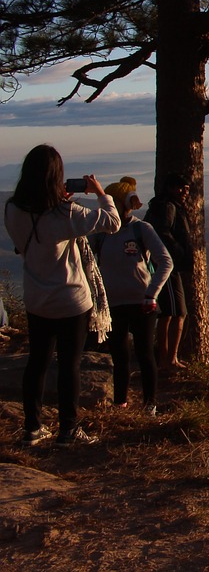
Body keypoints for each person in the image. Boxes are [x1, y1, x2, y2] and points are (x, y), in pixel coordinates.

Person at [4, 144, 120, 446]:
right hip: (71, 301)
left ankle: (33, 427)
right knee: (69, 365)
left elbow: (24, 243)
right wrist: (98, 192)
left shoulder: (13, 208)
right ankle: (68, 430)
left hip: (36, 300)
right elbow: (112, 222)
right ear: (57, 176)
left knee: (37, 363)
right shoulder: (66, 212)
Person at [95, 177, 173, 416]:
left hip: (142, 303)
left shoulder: (141, 229)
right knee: (119, 355)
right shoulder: (100, 233)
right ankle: (120, 403)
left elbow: (165, 262)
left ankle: (150, 404)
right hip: (113, 305)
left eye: (109, 202)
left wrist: (152, 294)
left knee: (145, 354)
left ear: (121, 203)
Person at [145, 172, 193, 370]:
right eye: (181, 188)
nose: (184, 192)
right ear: (170, 188)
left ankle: (165, 359)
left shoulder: (161, 205)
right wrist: (178, 252)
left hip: (160, 265)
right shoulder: (168, 207)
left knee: (166, 314)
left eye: (187, 189)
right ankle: (169, 360)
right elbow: (163, 232)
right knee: (177, 312)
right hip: (167, 267)